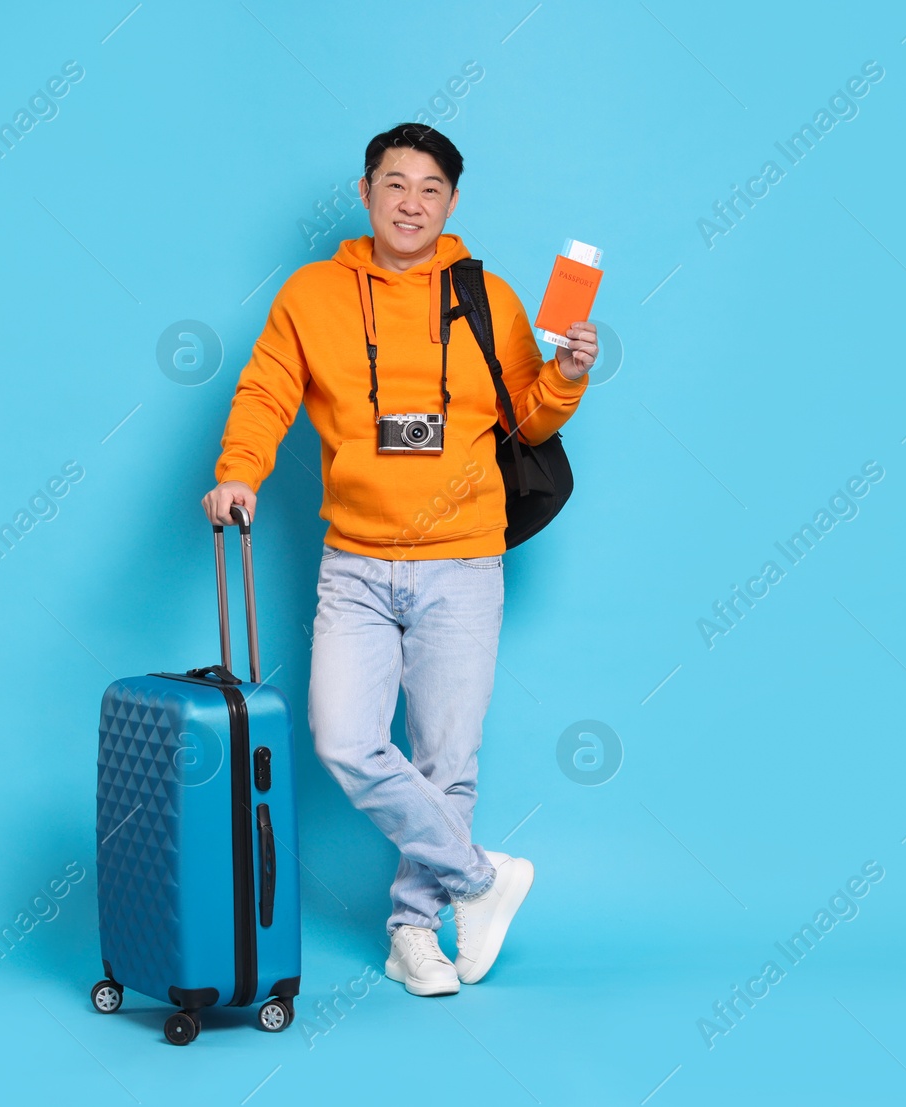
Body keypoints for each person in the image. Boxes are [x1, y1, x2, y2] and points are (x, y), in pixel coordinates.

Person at [201, 123, 597, 996]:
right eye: (394, 183)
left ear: (451, 202)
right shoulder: (312, 294)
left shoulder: (485, 296)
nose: (410, 202)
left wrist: (566, 373)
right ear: (366, 191)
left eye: (429, 188)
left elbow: (528, 420)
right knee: (344, 736)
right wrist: (239, 472)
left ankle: (413, 931)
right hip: (356, 562)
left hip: (463, 561)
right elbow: (266, 389)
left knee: (445, 758)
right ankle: (483, 881)